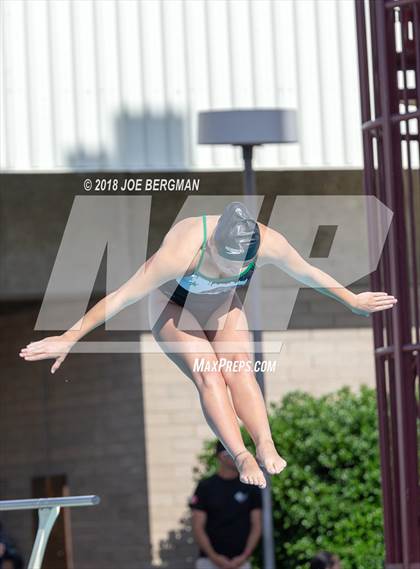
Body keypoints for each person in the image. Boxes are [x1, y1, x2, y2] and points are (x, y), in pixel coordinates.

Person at [19, 201, 398, 488]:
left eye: (240, 266)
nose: (233, 271)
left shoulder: (268, 244)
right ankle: (242, 455)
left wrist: (352, 301)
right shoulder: (183, 249)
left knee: (240, 370)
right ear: (213, 245)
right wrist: (69, 337)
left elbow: (308, 272)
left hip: (221, 307)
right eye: (225, 262)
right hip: (172, 308)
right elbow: (120, 298)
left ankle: (265, 443)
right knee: (210, 375)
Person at [189, 440, 261, 569]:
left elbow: (257, 525)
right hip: (209, 562)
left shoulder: (250, 486)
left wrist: (244, 557)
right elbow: (197, 526)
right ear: (221, 456)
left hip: (241, 562)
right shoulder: (205, 487)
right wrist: (214, 557)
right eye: (233, 454)